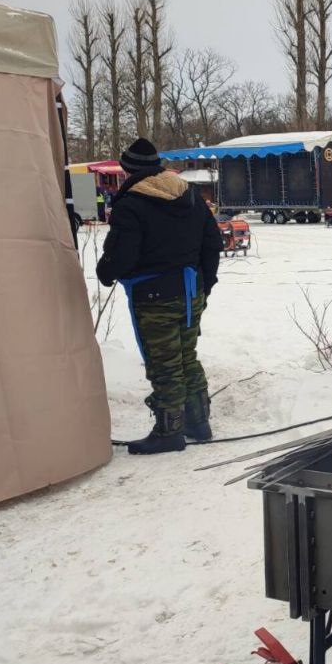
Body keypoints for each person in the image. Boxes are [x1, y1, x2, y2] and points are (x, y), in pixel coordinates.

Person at [97, 138, 222, 454]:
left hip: (153, 296)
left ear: (127, 169)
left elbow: (122, 253)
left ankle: (169, 431)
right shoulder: (189, 195)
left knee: (164, 361)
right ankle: (198, 422)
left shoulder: (132, 203)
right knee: (185, 355)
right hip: (191, 289)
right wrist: (205, 286)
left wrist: (106, 271)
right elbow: (212, 243)